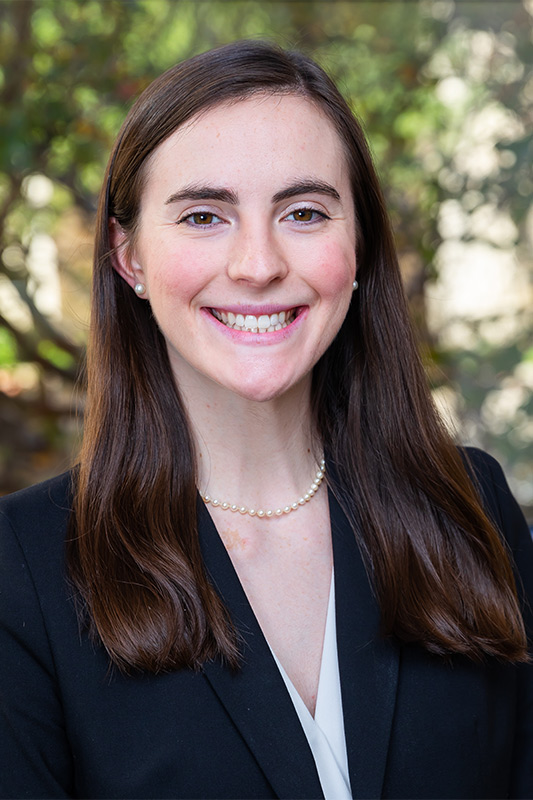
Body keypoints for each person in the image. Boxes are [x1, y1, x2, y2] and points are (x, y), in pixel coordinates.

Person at [0, 40, 532, 800]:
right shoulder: (20, 571)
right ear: (129, 258)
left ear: (358, 247)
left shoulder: (469, 505)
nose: (257, 263)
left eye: (305, 212)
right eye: (204, 215)